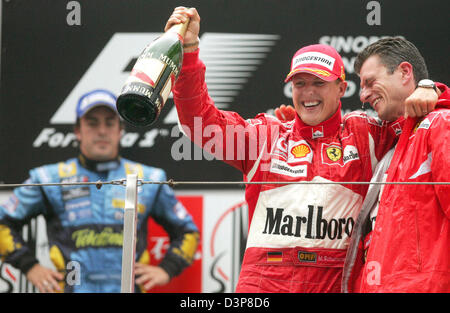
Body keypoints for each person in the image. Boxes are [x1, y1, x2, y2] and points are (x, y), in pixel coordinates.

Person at [166, 7, 435, 293]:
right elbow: (199, 123)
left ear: (341, 88)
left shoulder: (364, 133)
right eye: (300, 83)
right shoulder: (266, 136)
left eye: (319, 83)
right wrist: (190, 51)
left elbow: (417, 120)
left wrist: (432, 88)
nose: (308, 93)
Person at [0, 89, 200, 293]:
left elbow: (188, 232)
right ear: (78, 131)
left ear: (120, 130)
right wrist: (30, 266)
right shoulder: (50, 178)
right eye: (93, 123)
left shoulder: (147, 178)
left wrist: (167, 269)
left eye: (110, 123)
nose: (102, 131)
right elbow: (2, 223)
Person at [343, 37, 449, 292]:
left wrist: (435, 90)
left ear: (404, 72)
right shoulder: (390, 147)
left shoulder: (440, 125)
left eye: (370, 82)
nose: (363, 95)